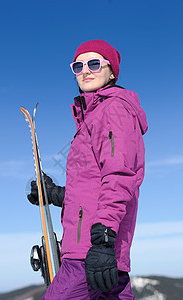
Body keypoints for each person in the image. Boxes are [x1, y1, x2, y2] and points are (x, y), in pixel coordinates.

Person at [28, 39, 148, 299]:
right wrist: (55, 194)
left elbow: (119, 176)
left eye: (94, 63)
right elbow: (91, 186)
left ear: (112, 71)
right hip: (94, 251)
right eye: (78, 65)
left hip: (90, 251)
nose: (85, 70)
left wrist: (103, 241)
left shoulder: (113, 110)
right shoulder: (92, 117)